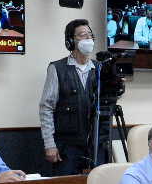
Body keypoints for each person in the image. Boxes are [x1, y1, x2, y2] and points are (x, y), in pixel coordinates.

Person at [40, 19, 106, 175]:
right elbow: (46, 108)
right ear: (70, 41)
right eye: (83, 35)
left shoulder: (100, 69)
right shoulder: (57, 68)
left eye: (90, 35)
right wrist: (49, 144)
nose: (88, 38)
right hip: (67, 147)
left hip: (95, 145)